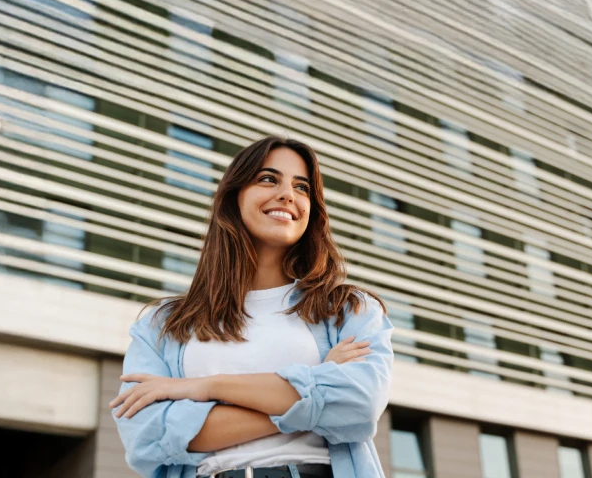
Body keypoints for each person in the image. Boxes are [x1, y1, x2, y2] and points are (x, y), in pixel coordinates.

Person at [108, 135, 393, 478]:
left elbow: (358, 405)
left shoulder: (348, 310)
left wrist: (202, 388)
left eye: (302, 187)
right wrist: (314, 390)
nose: (288, 194)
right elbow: (147, 436)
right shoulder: (163, 324)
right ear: (234, 196)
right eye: (268, 179)